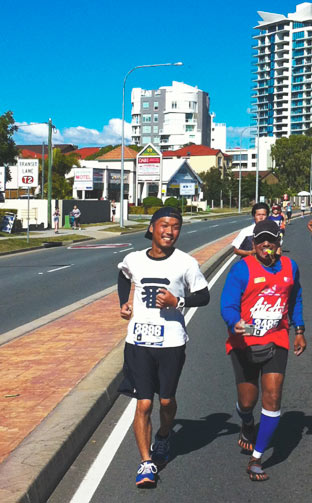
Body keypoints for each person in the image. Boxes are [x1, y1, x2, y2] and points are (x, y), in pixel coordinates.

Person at [117, 206, 210, 488]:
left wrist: (177, 302)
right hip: (138, 342)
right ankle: (146, 463)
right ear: (153, 227)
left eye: (176, 227)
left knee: (166, 401)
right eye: (164, 225)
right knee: (144, 402)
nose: (170, 231)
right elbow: (123, 274)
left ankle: (164, 436)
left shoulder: (186, 263)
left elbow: (204, 295)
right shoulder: (134, 259)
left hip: (171, 341)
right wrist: (124, 301)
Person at [220, 219, 306, 481]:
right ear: (254, 244)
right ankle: (247, 421)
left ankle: (256, 459)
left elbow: (295, 298)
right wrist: (235, 323)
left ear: (278, 243)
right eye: (261, 240)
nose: (266, 244)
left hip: (276, 339)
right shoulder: (241, 270)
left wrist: (299, 329)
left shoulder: (290, 267)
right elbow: (227, 304)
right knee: (248, 401)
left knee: (273, 396)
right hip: (243, 344)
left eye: (272, 240)